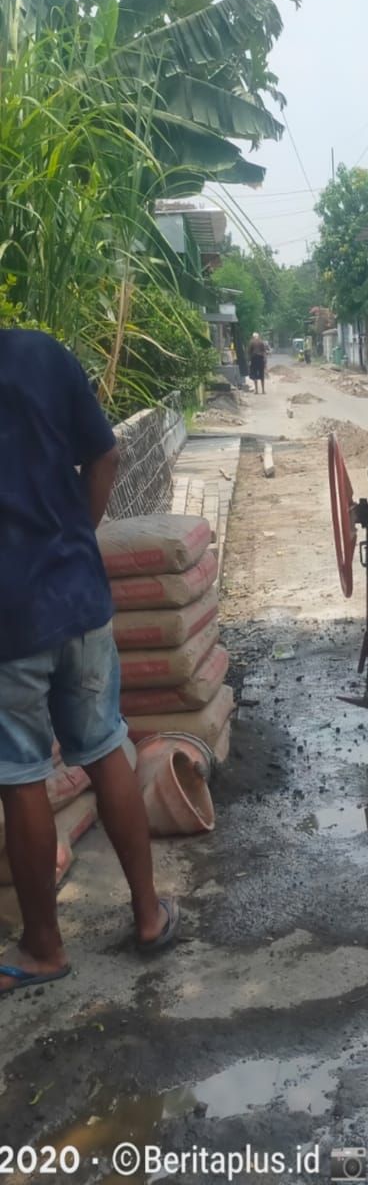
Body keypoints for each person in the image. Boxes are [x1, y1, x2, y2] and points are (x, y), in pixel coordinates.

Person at [0, 327, 178, 997]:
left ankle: (44, 948)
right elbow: (105, 456)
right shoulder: (44, 353)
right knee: (106, 746)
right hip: (78, 599)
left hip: (8, 621)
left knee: (19, 776)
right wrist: (75, 536)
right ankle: (148, 915)